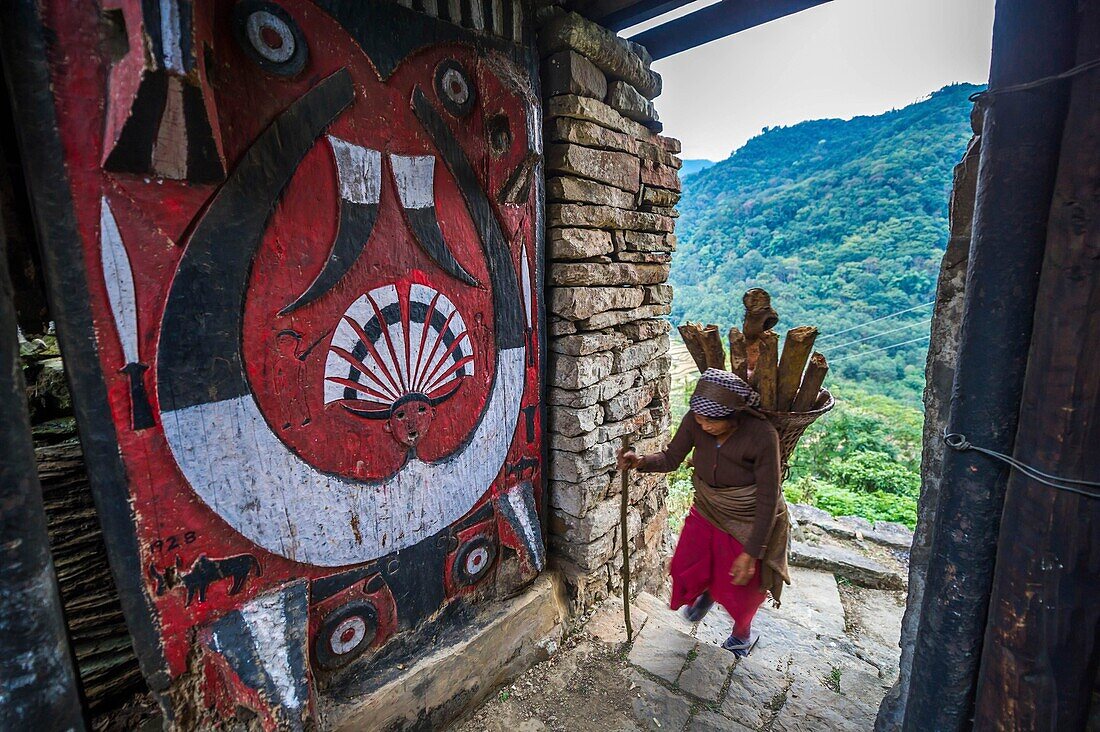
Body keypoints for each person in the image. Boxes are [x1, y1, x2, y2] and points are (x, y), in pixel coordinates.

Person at [617, 368, 790, 656]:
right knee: (686, 562)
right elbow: (673, 457)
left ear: (734, 417)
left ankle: (741, 636)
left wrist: (753, 550)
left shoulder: (762, 435)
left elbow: (768, 496)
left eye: (711, 420)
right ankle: (707, 592)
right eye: (698, 418)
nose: (703, 425)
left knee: (743, 587)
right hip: (709, 506)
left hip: (748, 515)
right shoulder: (696, 422)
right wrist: (640, 462)